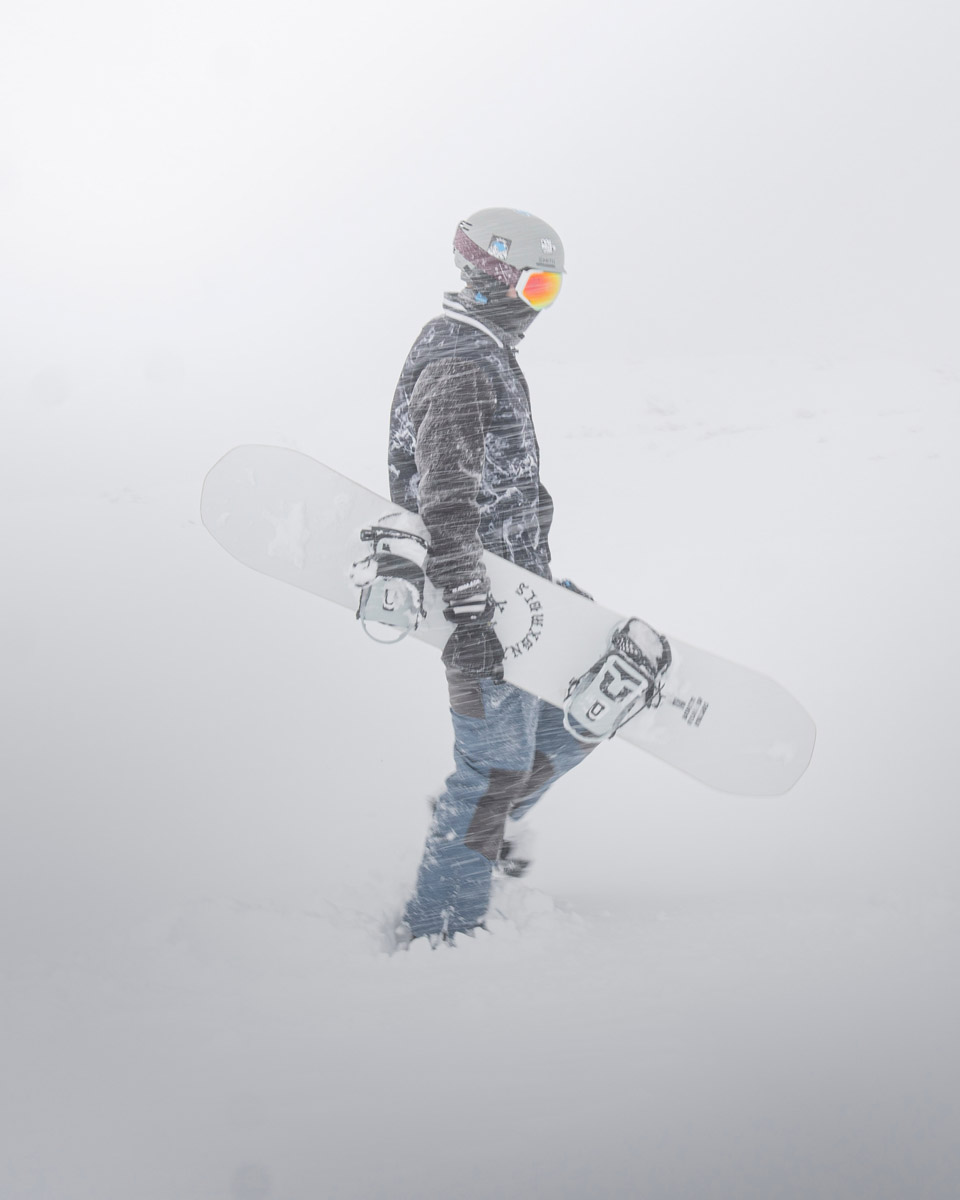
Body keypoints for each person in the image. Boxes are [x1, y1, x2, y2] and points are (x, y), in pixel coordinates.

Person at [387, 207, 598, 946]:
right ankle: (439, 930)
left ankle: (482, 822)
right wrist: (471, 616)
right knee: (491, 768)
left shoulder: (483, 354)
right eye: (534, 287)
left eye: (552, 292)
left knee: (590, 707)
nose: (538, 307)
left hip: (521, 589)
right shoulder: (461, 365)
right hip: (484, 601)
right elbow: (443, 496)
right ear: (489, 279)